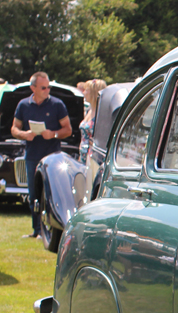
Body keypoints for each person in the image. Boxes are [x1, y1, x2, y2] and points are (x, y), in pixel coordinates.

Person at [11, 71, 71, 238]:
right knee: (33, 195)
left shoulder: (57, 105)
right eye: (43, 87)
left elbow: (68, 129)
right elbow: (14, 128)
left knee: (52, 193)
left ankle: (53, 230)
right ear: (33, 88)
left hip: (52, 157)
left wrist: (54, 134)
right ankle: (37, 230)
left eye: (49, 87)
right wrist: (24, 134)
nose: (47, 90)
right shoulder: (23, 105)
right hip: (32, 155)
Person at [78, 79, 107, 162]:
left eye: (86, 90)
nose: (83, 92)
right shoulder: (89, 110)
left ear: (93, 92)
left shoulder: (102, 114)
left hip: (94, 158)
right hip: (83, 155)